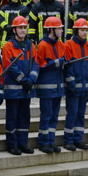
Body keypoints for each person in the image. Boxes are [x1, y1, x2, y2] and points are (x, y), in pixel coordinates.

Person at [1, 16, 39, 155]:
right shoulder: (8, 46)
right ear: (14, 29)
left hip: (26, 89)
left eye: (24, 27)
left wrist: (32, 78)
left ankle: (23, 143)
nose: (23, 30)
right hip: (14, 90)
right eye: (20, 28)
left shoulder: (31, 45)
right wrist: (24, 80)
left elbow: (36, 62)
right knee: (12, 117)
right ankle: (12, 144)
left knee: (25, 117)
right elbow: (10, 66)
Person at [34, 16, 67, 153]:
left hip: (58, 87)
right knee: (46, 115)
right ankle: (43, 142)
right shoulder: (42, 45)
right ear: (51, 29)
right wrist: (55, 63)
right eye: (59, 28)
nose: (61, 31)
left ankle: (51, 140)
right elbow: (39, 65)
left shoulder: (61, 45)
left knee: (54, 116)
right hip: (46, 87)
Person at [63, 18, 88, 151]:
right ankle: (68, 140)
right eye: (82, 30)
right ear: (76, 31)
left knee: (81, 114)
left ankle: (78, 139)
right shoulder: (69, 45)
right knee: (72, 113)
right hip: (73, 88)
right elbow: (68, 68)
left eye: (86, 30)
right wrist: (72, 84)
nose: (84, 33)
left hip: (84, 87)